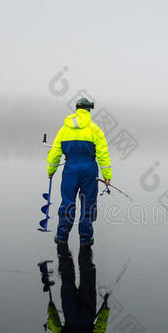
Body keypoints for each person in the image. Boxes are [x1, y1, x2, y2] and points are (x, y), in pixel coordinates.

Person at [46, 98, 112, 246]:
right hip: (89, 170)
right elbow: (103, 154)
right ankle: (85, 238)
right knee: (88, 204)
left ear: (76, 109)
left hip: (70, 170)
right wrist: (107, 177)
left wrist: (51, 170)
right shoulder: (95, 129)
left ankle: (62, 236)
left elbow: (55, 152)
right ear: (89, 110)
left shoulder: (64, 129)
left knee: (67, 202)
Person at [45, 244, 110, 333]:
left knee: (87, 279)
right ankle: (62, 245)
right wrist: (51, 309)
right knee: (67, 280)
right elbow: (55, 326)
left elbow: (100, 330)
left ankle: (85, 245)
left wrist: (105, 310)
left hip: (87, 314)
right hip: (70, 312)